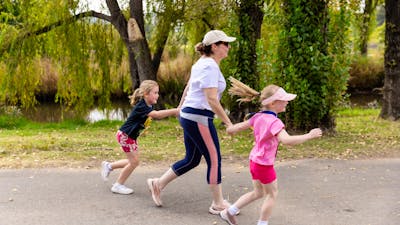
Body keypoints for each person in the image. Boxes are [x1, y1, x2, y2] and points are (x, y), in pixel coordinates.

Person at [146, 30, 236, 214]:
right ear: (214, 46)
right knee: (214, 159)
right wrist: (228, 123)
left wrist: (180, 109)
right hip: (199, 117)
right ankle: (218, 204)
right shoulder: (209, 66)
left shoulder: (201, 63)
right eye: (225, 43)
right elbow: (211, 99)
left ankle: (158, 183)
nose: (228, 47)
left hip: (190, 115)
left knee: (193, 159)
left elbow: (189, 87)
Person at [219, 77, 323, 225]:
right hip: (264, 164)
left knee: (258, 192)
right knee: (272, 194)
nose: (287, 102)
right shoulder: (275, 122)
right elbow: (287, 141)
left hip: (254, 161)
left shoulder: (257, 117)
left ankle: (229, 211)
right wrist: (309, 135)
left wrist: (230, 128)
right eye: (284, 100)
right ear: (273, 103)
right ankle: (262, 223)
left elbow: (236, 128)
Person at [101, 80, 178, 195]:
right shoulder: (142, 106)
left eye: (158, 92)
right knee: (134, 162)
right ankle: (118, 185)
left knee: (133, 161)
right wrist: (175, 111)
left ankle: (109, 166)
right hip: (125, 136)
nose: (157, 95)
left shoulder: (148, 104)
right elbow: (156, 115)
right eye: (155, 92)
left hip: (130, 137)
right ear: (146, 94)